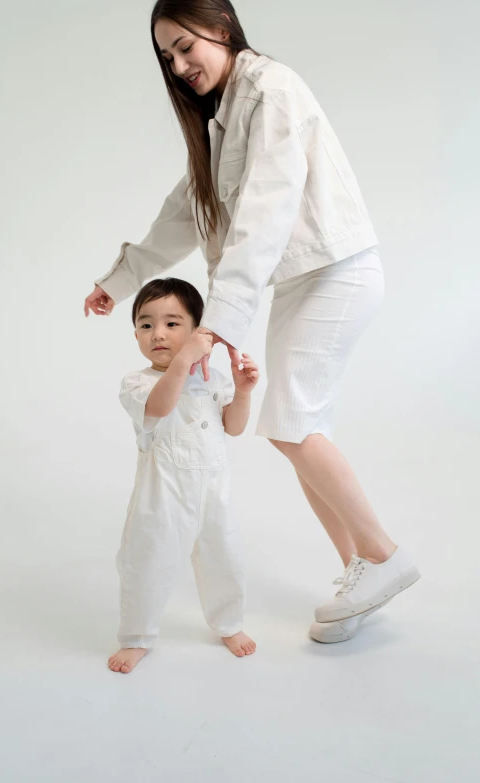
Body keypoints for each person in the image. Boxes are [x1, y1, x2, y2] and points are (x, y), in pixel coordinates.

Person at [87, 0, 420, 646]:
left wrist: (220, 323)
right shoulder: (217, 123)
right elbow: (181, 215)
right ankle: (359, 576)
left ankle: (384, 555)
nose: (180, 65)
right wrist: (118, 280)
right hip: (304, 280)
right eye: (168, 58)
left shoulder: (271, 89)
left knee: (288, 421)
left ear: (221, 26)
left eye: (187, 46)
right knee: (297, 424)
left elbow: (266, 209)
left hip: (338, 270)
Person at [108, 277, 259, 673]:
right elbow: (159, 406)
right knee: (147, 561)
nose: (158, 333)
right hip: (162, 498)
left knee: (225, 558)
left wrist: (242, 392)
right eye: (146, 324)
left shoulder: (213, 380)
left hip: (213, 494)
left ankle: (228, 623)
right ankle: (137, 634)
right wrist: (182, 360)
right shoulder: (138, 383)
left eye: (173, 324)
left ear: (197, 330)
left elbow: (234, 427)